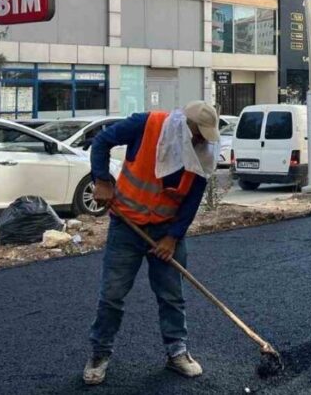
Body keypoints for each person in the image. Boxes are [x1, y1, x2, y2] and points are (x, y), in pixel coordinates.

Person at [83, 101, 220, 386]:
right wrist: (102, 180)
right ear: (185, 126)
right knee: (112, 294)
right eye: (197, 135)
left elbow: (191, 201)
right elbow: (101, 142)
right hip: (127, 226)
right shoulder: (145, 125)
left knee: (171, 295)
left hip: (166, 229)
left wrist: (172, 238)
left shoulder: (201, 154)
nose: (199, 142)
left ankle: (176, 352)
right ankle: (99, 354)